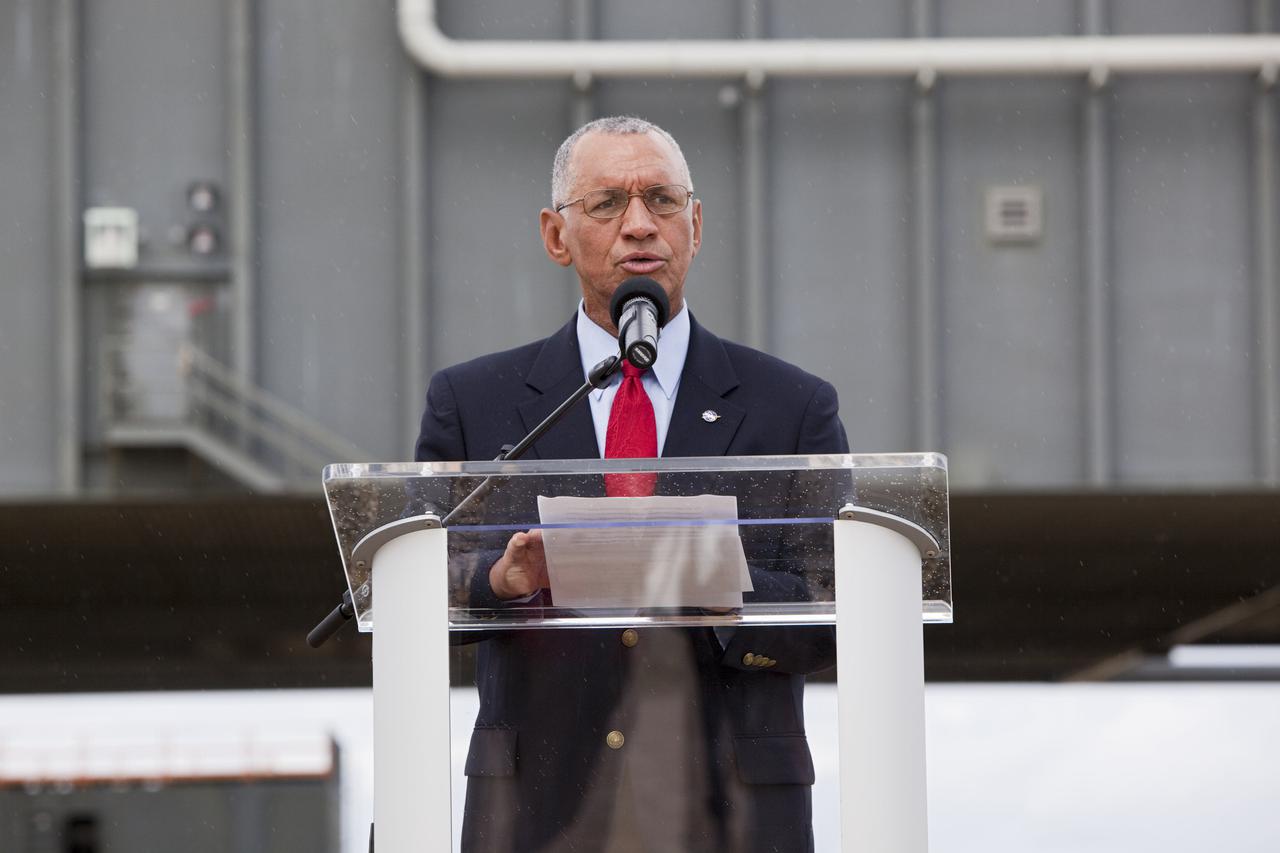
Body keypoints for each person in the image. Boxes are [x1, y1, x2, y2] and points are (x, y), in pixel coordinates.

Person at [415, 116, 849, 853]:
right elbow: (415, 585)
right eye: (607, 203)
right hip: (538, 808)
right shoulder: (474, 403)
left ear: (697, 224)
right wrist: (501, 577)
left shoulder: (793, 406)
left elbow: (841, 603)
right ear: (556, 236)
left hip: (734, 812)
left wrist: (721, 582)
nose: (640, 225)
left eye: (662, 200)